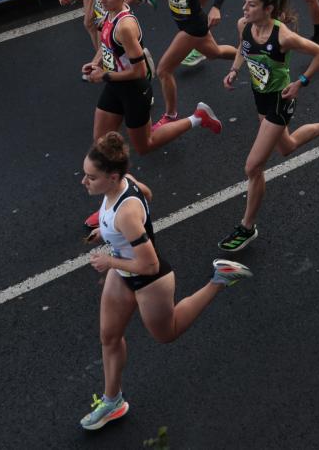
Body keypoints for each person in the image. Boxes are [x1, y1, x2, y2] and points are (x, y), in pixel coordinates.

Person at [77, 131, 250, 433]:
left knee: (166, 334)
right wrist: (106, 234)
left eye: (91, 177)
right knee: (109, 336)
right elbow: (148, 195)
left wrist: (109, 260)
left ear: (112, 176)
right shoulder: (123, 185)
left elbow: (149, 263)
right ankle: (112, 400)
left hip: (150, 280)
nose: (84, 181)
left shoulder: (127, 213)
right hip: (123, 273)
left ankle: (219, 279)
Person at [217, 0, 319, 253]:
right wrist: (234, 69)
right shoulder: (244, 25)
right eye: (245, 3)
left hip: (280, 101)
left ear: (268, 9)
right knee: (287, 146)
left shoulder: (284, 36)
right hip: (260, 98)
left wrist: (300, 82)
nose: (244, 9)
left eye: (251, 5)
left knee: (253, 167)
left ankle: (247, 227)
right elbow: (243, 50)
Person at [85, 0, 221, 164]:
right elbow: (107, 45)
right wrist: (95, 62)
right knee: (100, 145)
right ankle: (114, 186)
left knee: (145, 145)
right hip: (115, 86)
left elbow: (139, 72)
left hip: (134, 90)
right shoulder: (109, 13)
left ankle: (198, 117)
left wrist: (104, 76)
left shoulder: (125, 27)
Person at [143, 0, 238, 128]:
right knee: (215, 53)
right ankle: (249, 54)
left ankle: (170, 115)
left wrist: (216, 8)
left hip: (193, 25)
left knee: (163, 70)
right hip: (181, 21)